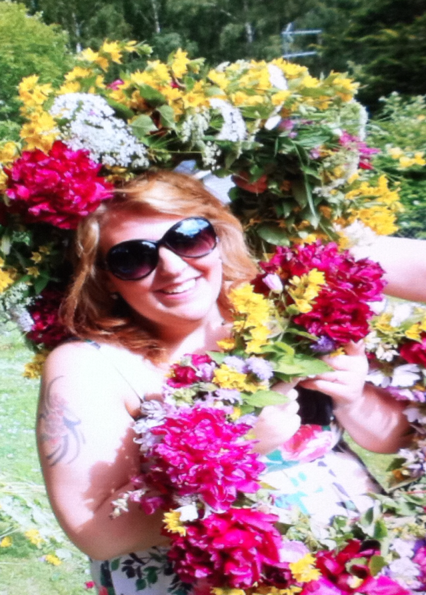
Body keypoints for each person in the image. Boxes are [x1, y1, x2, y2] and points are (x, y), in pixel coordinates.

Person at [36, 171, 413, 595]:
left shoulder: (281, 314)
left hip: (364, 564)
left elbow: (395, 438)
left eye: (188, 237)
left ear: (218, 236)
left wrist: (353, 397)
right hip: (216, 579)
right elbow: (97, 533)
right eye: (133, 258)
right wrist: (237, 449)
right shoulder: (90, 366)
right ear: (105, 278)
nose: (173, 267)